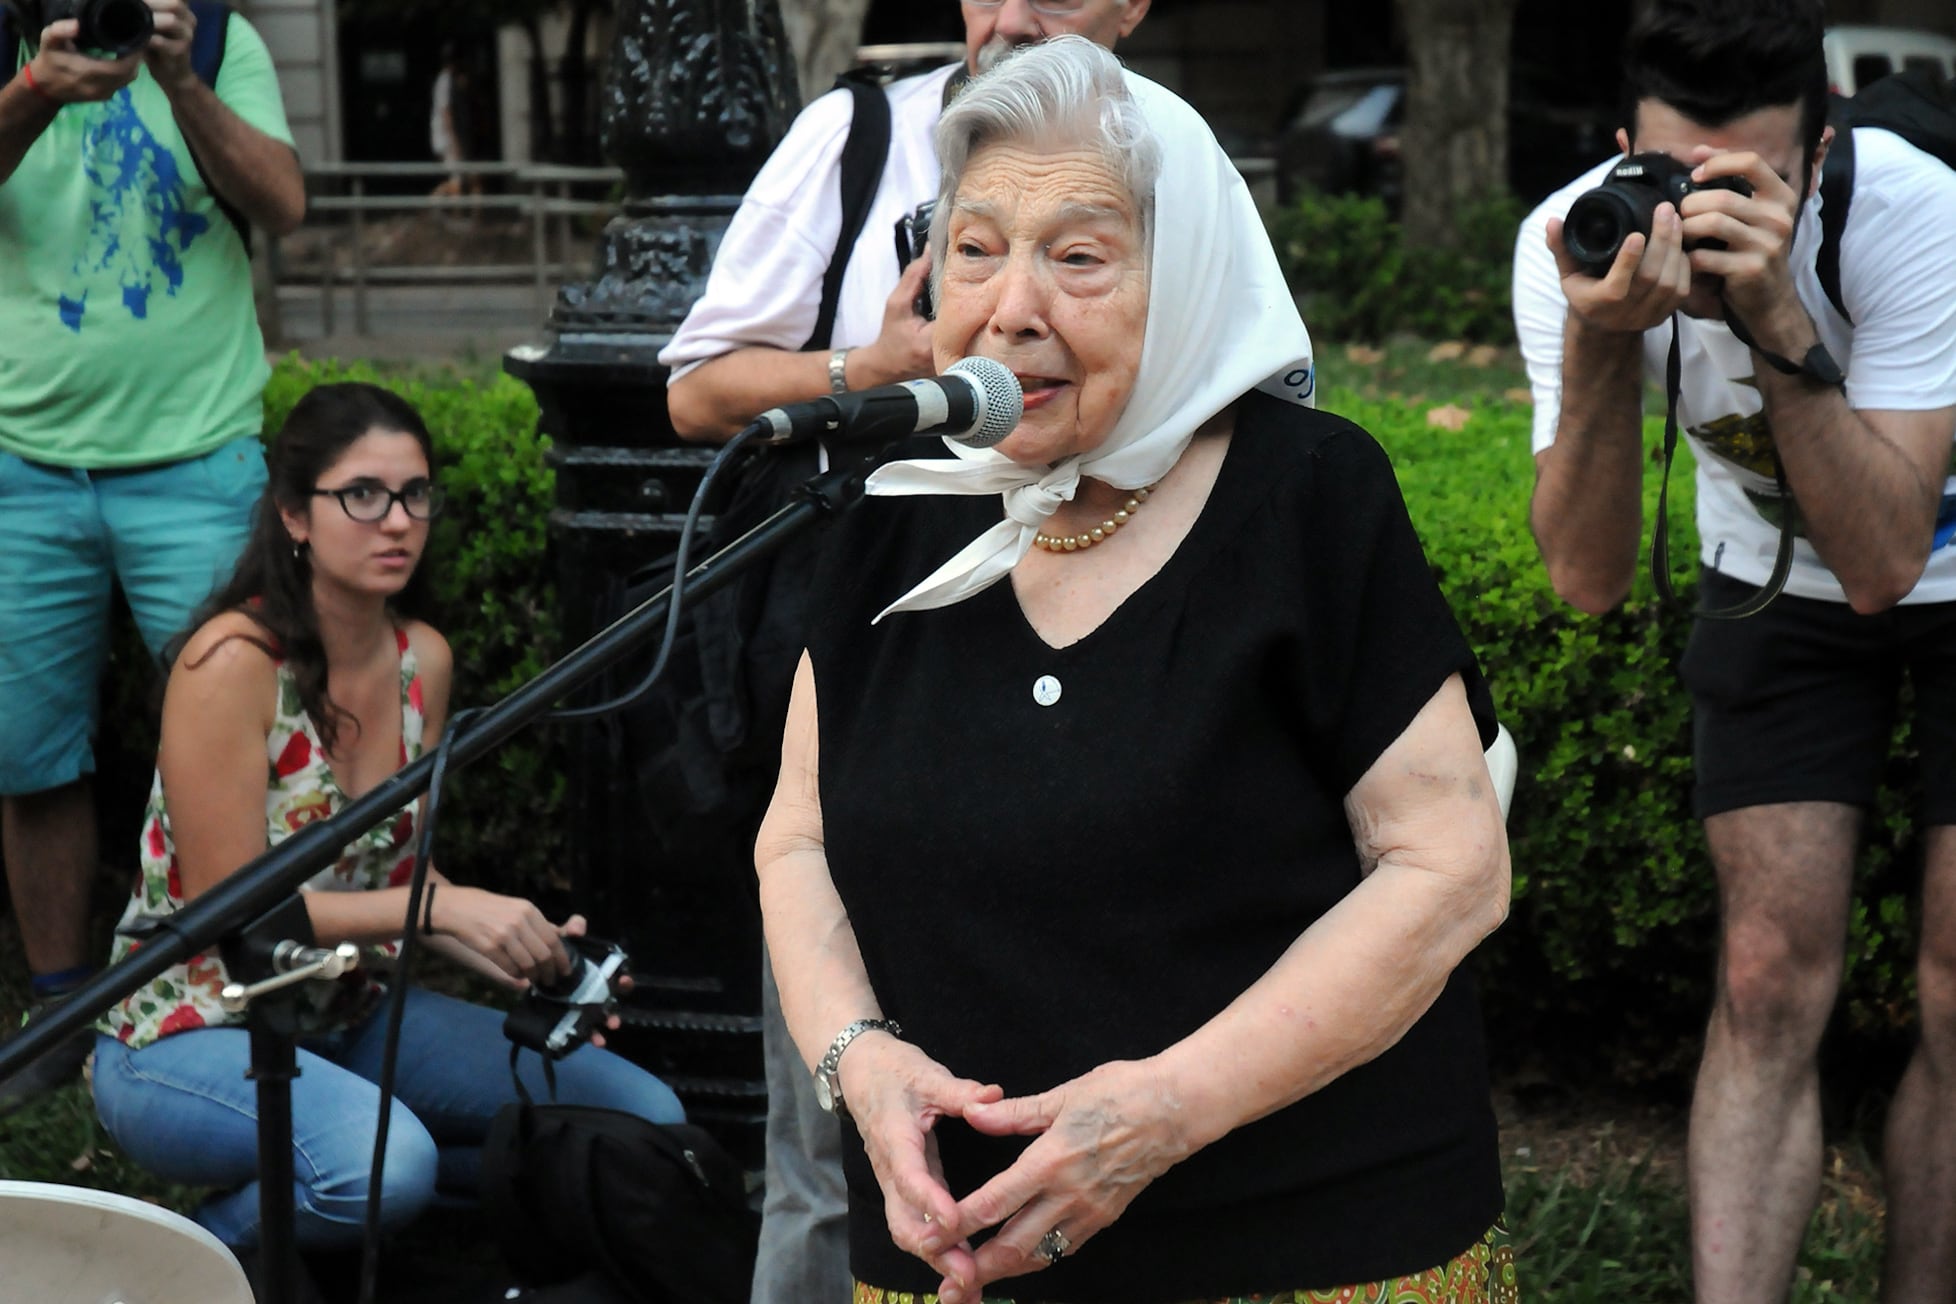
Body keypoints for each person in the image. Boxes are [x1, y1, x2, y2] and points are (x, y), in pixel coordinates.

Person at [757, 37, 1513, 1304]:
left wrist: (1162, 1110)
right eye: (976, 248)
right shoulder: (892, 509)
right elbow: (796, 840)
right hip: (957, 1261)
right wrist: (858, 1058)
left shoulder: (1308, 494)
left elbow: (1448, 868)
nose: (1012, 306)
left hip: (1307, 1250)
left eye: (1080, 255)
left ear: (1193, 274)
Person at [658, 5, 1152, 1300]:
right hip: (862, 680)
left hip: (1098, 711)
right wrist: (869, 366)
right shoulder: (854, 132)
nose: (1016, 11)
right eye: (978, 252)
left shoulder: (1176, 164)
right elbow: (695, 387)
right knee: (821, 1142)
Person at [1512, 0, 1956, 1297]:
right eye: (1672, 173)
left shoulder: (1915, 215)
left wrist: (1773, 318)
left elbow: (1882, 561)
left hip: (1927, 559)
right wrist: (1605, 340)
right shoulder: (1573, 238)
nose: (1700, 212)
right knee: (1764, 977)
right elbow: (1587, 579)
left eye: (1749, 181)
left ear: (1817, 159)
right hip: (1773, 586)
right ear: (1619, 147)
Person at [86, 383, 686, 1263]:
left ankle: (336, 1212)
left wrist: (522, 952)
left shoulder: (421, 661)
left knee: (644, 1119)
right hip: (189, 1032)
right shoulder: (230, 663)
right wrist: (447, 912)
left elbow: (401, 879)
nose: (396, 521)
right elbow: (228, 908)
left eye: (414, 495)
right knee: (384, 1169)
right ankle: (163, 1277)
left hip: (345, 1016)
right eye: (361, 495)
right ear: (295, 515)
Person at [0, 0, 306, 1109]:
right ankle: (59, 1001)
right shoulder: (11, 44)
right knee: (30, 758)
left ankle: (232, 982)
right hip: (24, 463)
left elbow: (284, 203)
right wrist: (35, 89)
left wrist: (180, 83)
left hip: (197, 459)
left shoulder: (219, 42)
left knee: (240, 744)